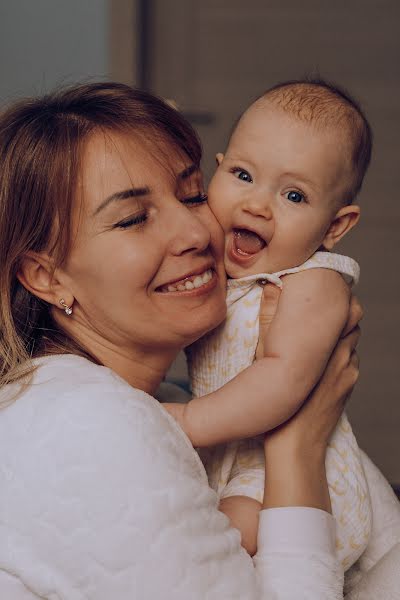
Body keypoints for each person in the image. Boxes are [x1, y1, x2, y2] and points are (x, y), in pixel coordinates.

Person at [0, 80, 377, 599]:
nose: (198, 234)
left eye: (193, 194)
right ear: (47, 277)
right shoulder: (89, 424)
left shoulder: (163, 403)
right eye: (133, 219)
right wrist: (297, 447)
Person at [169, 79, 372, 569]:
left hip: (293, 484)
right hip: (232, 461)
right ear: (211, 177)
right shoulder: (218, 265)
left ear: (334, 227)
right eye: (242, 174)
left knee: (209, 540)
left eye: (295, 196)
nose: (257, 204)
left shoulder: (314, 282)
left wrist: (187, 422)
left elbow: (285, 377)